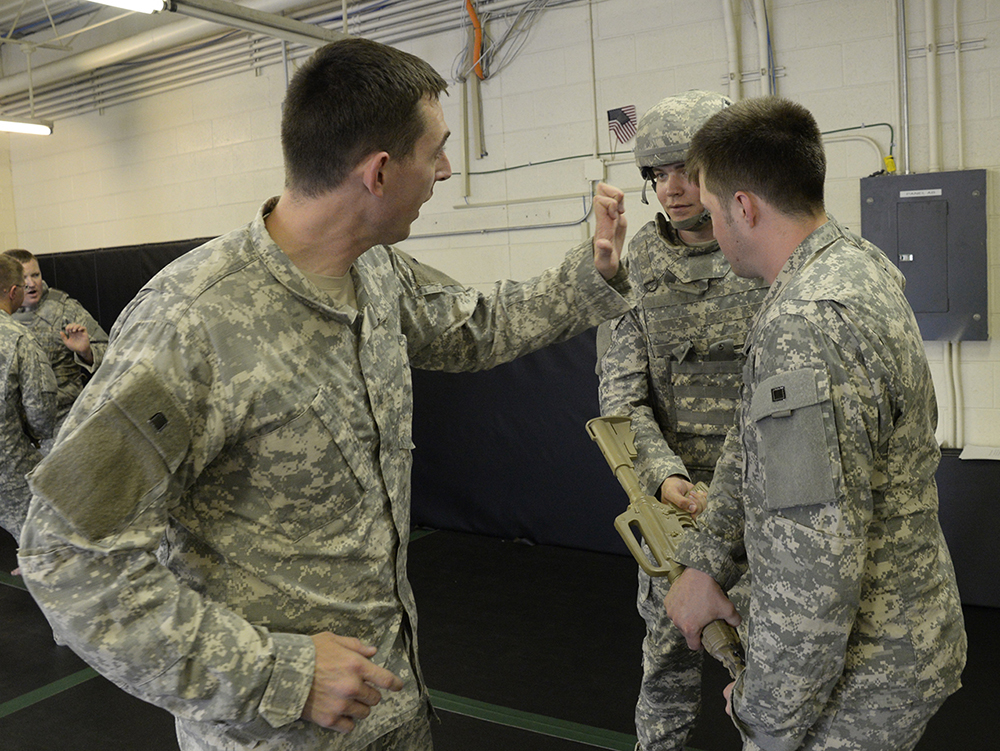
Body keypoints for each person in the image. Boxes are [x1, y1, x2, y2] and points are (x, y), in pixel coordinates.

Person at [17, 37, 632, 751]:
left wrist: (588, 278)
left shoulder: (376, 275)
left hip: (392, 706)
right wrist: (276, 674)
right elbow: (65, 554)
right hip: (274, 734)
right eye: (435, 151)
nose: (445, 170)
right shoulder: (190, 322)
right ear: (378, 171)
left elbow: (472, 327)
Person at [663, 96, 967, 751]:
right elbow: (752, 446)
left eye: (715, 213)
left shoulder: (805, 326)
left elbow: (814, 570)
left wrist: (763, 712)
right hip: (906, 636)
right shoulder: (853, 264)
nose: (714, 233)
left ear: (744, 207)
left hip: (858, 682)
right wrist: (703, 559)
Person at [597, 90, 767, 751]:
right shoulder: (643, 258)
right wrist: (664, 476)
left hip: (760, 508)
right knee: (667, 659)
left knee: (770, 673)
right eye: (654, 174)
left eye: (684, 171)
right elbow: (622, 395)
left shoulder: (764, 252)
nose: (669, 188)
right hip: (671, 507)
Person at [3, 248, 109, 430]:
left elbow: (110, 351)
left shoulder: (64, 309)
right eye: (23, 278)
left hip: (63, 418)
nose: (31, 284)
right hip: (17, 425)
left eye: (35, 275)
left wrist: (86, 352)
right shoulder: (4, 318)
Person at [0, 255, 57, 545]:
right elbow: (41, 415)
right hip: (9, 470)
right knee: (46, 542)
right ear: (14, 292)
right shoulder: (19, 339)